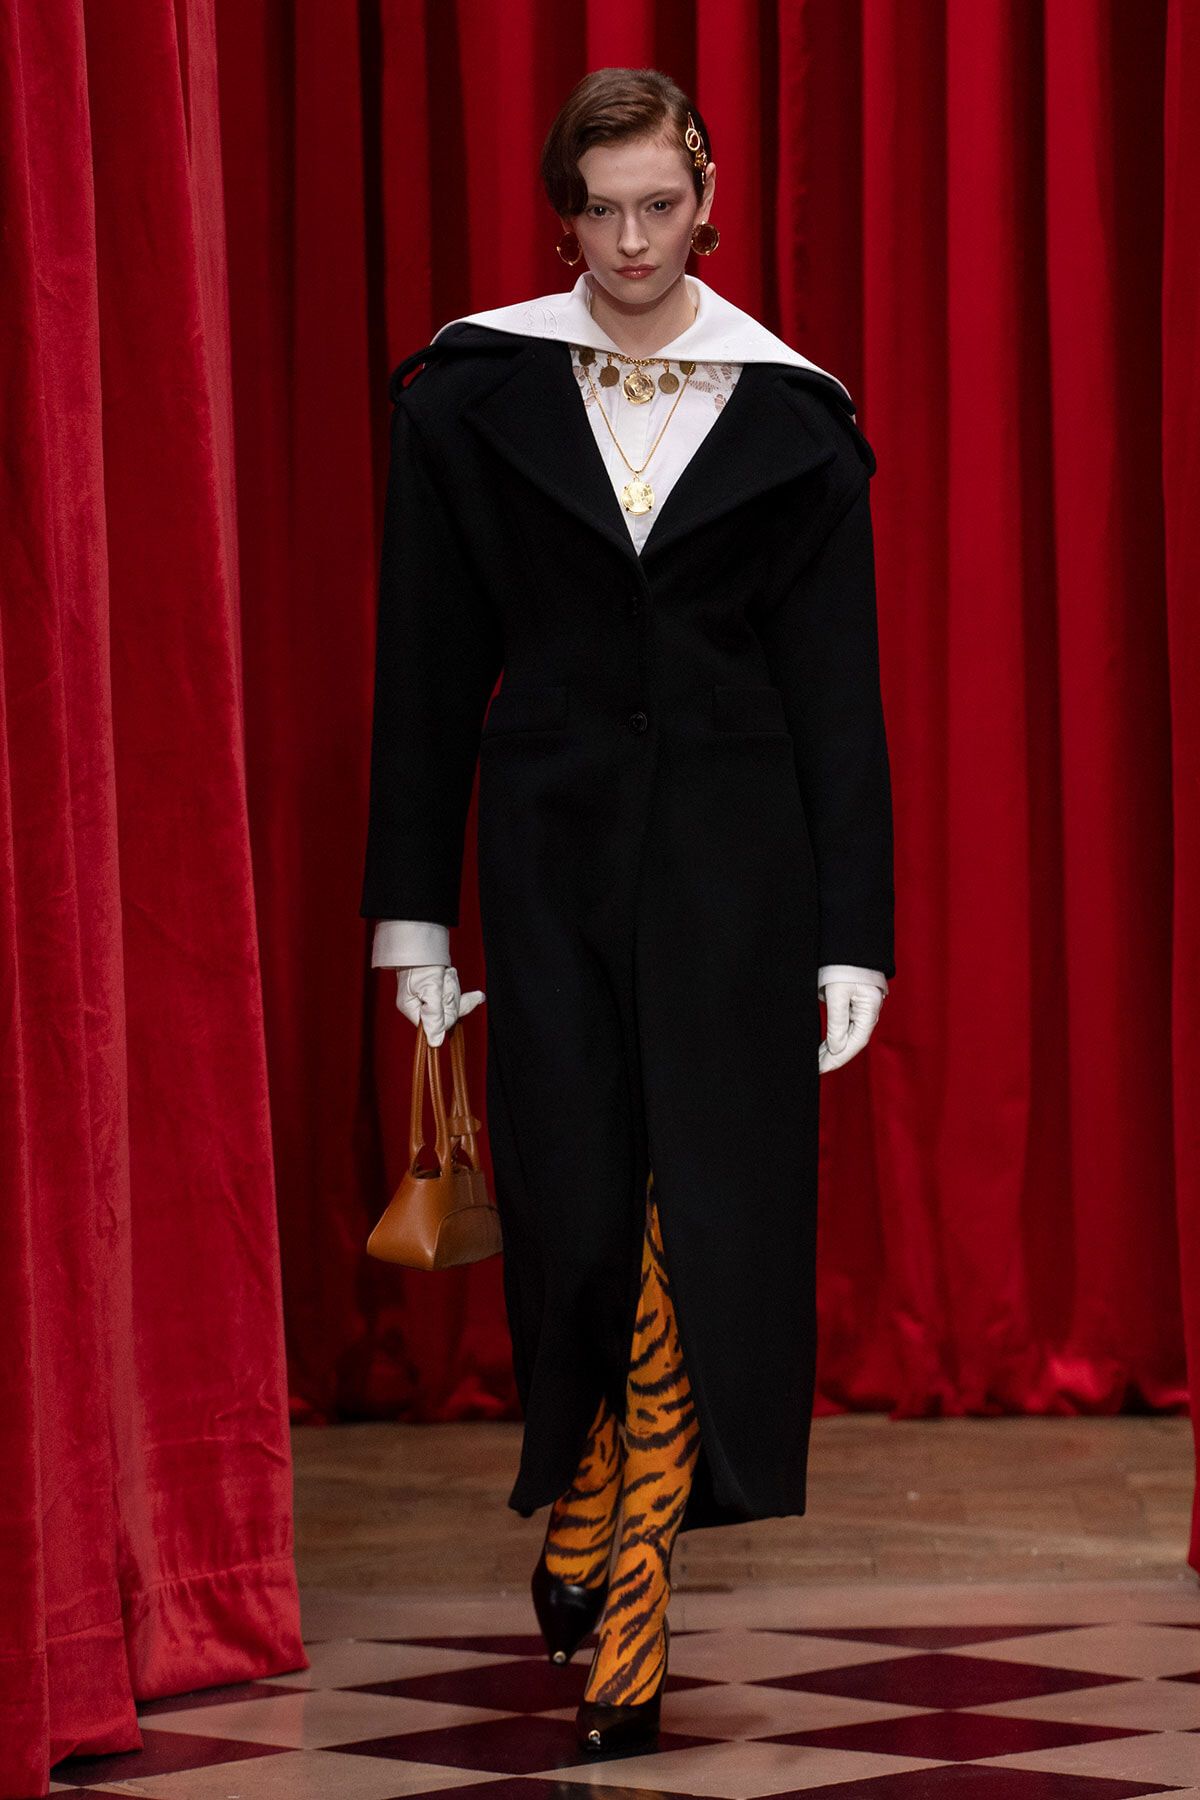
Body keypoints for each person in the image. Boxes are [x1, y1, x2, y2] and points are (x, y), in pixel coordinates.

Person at [360, 66, 895, 1755]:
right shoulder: (471, 397)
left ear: (706, 191)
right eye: (600, 207)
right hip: (551, 849)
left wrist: (853, 931)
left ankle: (635, 1599)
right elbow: (427, 677)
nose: (631, 237)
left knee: (700, 1215)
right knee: (581, 1205)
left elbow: (839, 697)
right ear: (564, 210)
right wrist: (413, 926)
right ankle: (583, 1491)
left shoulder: (795, 415)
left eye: (658, 202)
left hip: (743, 869)